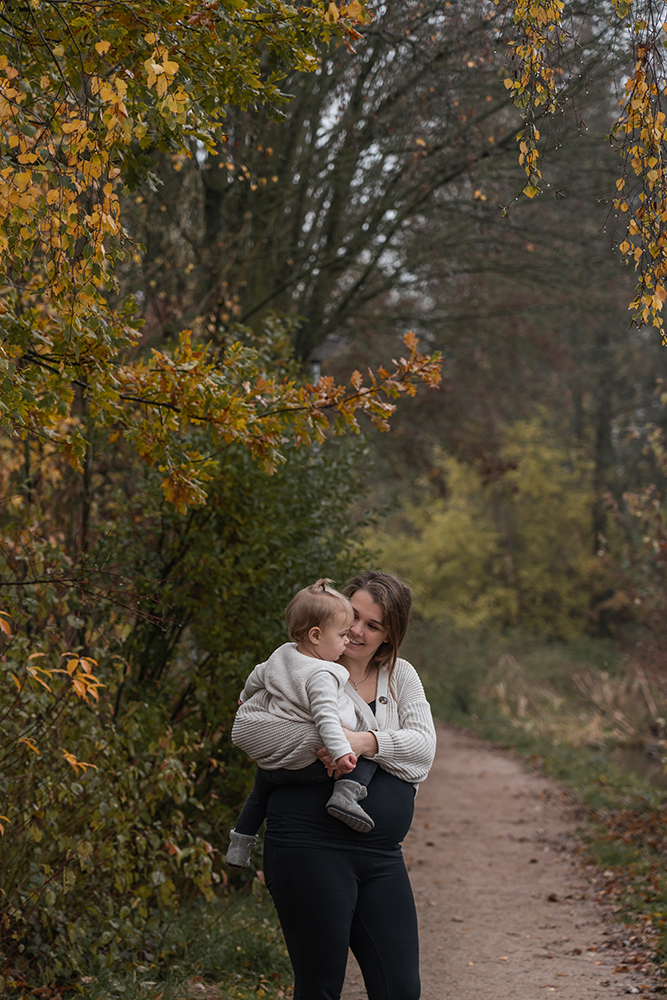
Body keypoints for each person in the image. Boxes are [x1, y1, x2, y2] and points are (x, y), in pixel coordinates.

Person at [231, 571, 436, 1000]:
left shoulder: (401, 677)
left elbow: (422, 752)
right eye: (354, 617)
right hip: (308, 846)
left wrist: (361, 741)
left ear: (389, 635)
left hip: (381, 855)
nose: (357, 631)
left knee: (400, 988)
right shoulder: (298, 666)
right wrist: (319, 740)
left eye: (373, 625)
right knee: (320, 987)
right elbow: (248, 730)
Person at [226, 580, 380, 868]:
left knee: (258, 795)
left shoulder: (282, 654)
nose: (347, 641)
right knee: (370, 751)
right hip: (306, 764)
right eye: (343, 634)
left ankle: (239, 843)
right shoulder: (322, 673)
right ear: (316, 635)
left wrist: (244, 698)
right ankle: (346, 795)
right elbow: (326, 718)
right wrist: (341, 753)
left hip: (274, 767)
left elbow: (256, 677)